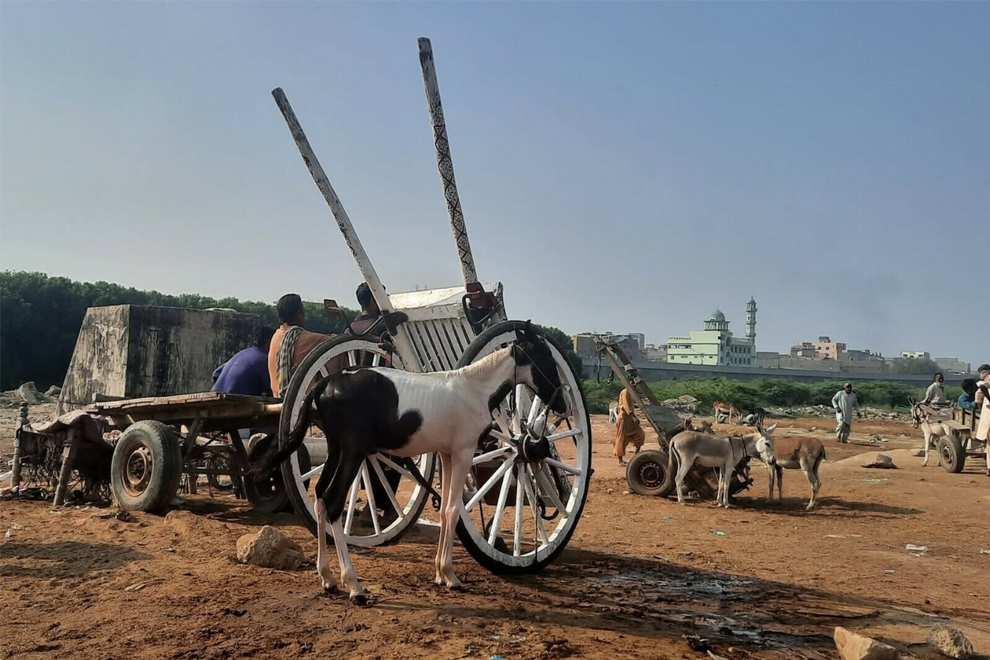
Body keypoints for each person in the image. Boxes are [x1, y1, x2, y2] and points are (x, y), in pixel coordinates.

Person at [268, 293, 334, 398]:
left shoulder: (276, 336)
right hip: (299, 401)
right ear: (299, 312)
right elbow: (335, 341)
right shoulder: (302, 338)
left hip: (277, 397)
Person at [212, 326, 276, 397]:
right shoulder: (264, 360)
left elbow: (216, 373)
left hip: (215, 394)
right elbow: (272, 388)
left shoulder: (242, 353)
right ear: (267, 341)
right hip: (234, 399)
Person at [614, 387, 646, 465]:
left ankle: (636, 456)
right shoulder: (625, 392)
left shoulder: (631, 392)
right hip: (624, 418)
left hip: (630, 418)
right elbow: (626, 406)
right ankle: (620, 460)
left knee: (640, 435)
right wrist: (633, 417)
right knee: (622, 439)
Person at [975, 364, 990, 477]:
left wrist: (980, 409)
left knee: (989, 442)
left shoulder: (982, 383)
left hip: (988, 413)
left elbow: (978, 398)